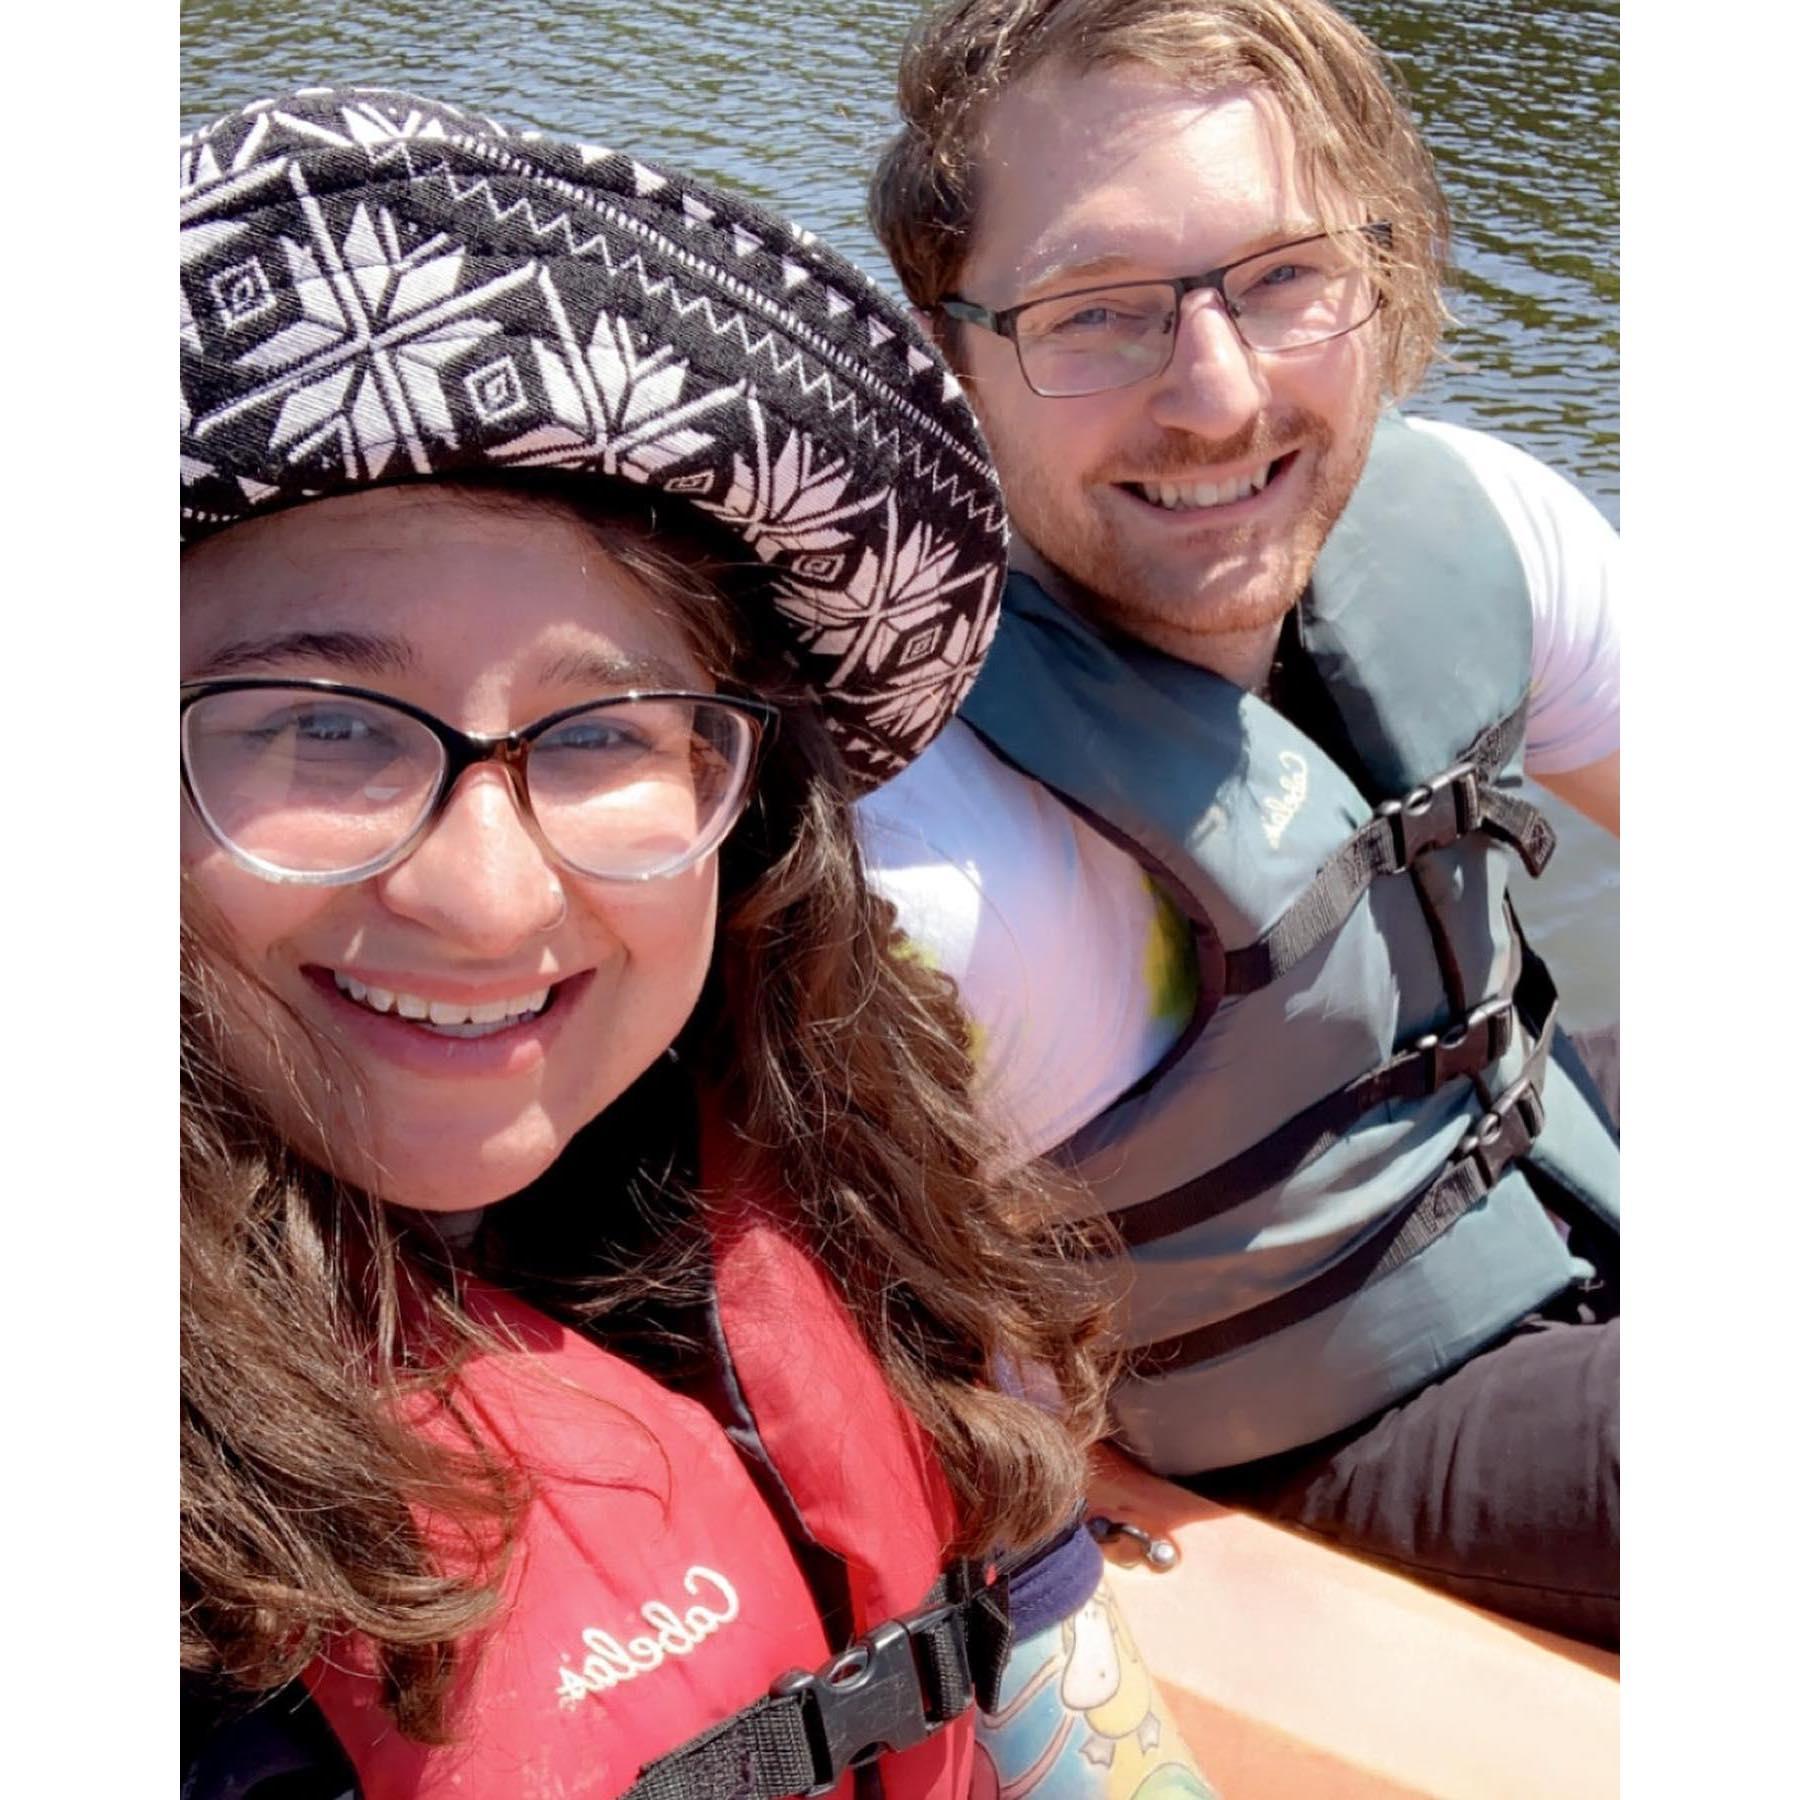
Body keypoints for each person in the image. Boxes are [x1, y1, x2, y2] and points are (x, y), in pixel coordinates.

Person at [179, 88, 1219, 1800]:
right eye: (322, 726)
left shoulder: (865, 1211)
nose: (488, 895)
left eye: (602, 738)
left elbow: (1071, 1714)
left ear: (742, 814)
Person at [857, 0, 1620, 1644]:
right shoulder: (940, 865)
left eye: (1284, 277)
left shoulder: (1485, 528)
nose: (1217, 395)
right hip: (1320, 1429)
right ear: (946, 345)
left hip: (1551, 1188)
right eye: (1098, 311)